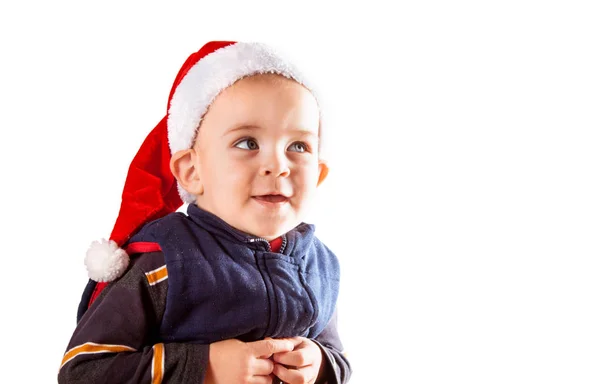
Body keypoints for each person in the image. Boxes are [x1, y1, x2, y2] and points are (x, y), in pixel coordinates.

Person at [58, 41, 351, 384]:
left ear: (319, 174)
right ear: (191, 171)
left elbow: (337, 357)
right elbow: (82, 372)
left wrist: (319, 363)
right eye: (247, 143)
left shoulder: (321, 265)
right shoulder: (162, 262)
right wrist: (204, 366)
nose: (277, 166)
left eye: (298, 146)